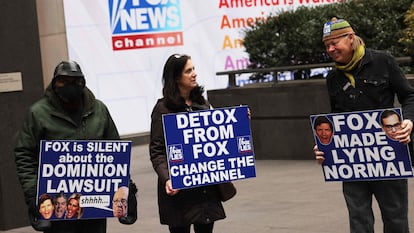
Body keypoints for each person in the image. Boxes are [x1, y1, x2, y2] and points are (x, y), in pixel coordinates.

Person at [313, 17, 414, 233]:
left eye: (334, 43)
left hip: (389, 157)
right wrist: (325, 145)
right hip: (352, 162)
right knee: (359, 221)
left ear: (350, 38)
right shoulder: (333, 78)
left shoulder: (383, 61)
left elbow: (409, 96)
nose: (330, 49)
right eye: (326, 45)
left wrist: (408, 121)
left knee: (396, 219)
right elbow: (336, 118)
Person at [14, 60, 137, 232]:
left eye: (75, 81)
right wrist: (34, 195)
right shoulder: (39, 113)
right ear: (54, 83)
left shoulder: (99, 110)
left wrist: (127, 191)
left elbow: (116, 155)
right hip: (58, 205)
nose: (69, 86)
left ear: (83, 82)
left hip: (94, 203)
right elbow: (25, 155)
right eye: (63, 81)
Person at [149, 54, 236, 233]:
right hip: (179, 191)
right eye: (188, 71)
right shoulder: (162, 109)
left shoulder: (202, 103)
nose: (194, 74)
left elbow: (218, 138)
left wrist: (237, 123)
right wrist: (167, 178)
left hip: (205, 189)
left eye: (194, 69)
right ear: (175, 77)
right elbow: (157, 151)